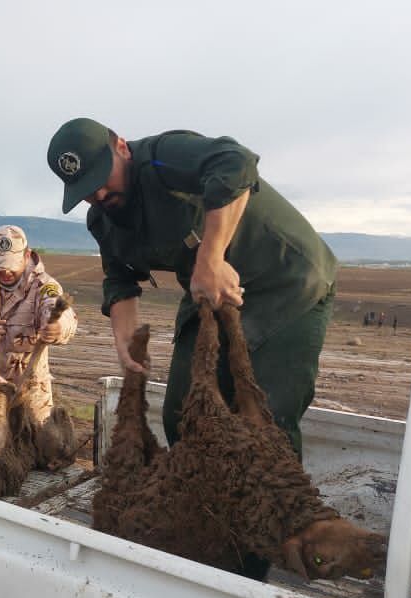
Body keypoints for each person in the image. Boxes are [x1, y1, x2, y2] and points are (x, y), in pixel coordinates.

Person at [47, 118, 337, 458]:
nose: (98, 194)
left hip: (287, 281)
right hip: (208, 294)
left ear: (122, 148)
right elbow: (120, 279)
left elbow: (236, 163)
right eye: (85, 190)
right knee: (184, 416)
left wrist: (210, 256)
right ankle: (206, 505)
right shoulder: (104, 218)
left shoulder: (162, 157)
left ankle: (274, 506)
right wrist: (125, 344)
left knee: (267, 421)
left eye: (100, 177)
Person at [0, 224, 78, 425]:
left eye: (10, 265)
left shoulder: (43, 284)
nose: (4, 272)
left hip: (29, 389)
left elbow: (57, 308)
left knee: (36, 445)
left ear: (26, 254)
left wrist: (57, 327)